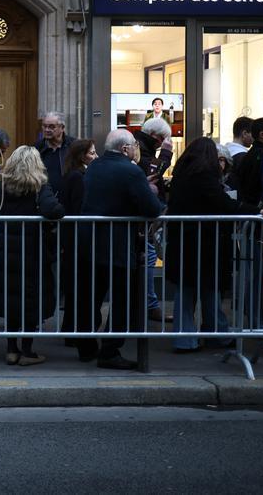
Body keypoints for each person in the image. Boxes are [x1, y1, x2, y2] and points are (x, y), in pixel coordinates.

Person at [165, 137, 263, 353]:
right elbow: (224, 204)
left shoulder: (181, 175)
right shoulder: (204, 177)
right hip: (205, 243)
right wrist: (256, 210)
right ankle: (216, 334)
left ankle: (185, 338)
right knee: (210, 289)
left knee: (186, 292)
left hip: (184, 242)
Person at [78, 128, 164, 369]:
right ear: (125, 149)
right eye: (134, 145)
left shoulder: (95, 166)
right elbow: (152, 209)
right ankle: (110, 351)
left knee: (91, 297)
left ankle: (86, 348)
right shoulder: (131, 170)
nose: (137, 148)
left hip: (90, 243)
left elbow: (109, 194)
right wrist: (149, 190)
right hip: (118, 245)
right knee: (122, 300)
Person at [0, 146, 64, 365]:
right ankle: (28, 351)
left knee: (12, 297)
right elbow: (53, 210)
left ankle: (11, 350)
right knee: (31, 299)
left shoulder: (5, 185)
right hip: (32, 249)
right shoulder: (39, 185)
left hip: (7, 248)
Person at [133, 116, 173, 321]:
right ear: (154, 136)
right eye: (162, 140)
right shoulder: (139, 147)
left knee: (147, 256)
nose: (163, 143)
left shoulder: (140, 145)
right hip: (142, 217)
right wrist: (166, 154)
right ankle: (149, 305)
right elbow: (152, 171)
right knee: (148, 256)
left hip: (145, 216)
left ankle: (148, 304)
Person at [58, 138, 96, 341]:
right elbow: (79, 208)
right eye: (92, 153)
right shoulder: (78, 177)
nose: (95, 156)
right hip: (77, 240)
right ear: (82, 156)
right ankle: (73, 332)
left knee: (75, 286)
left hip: (72, 239)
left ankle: (69, 330)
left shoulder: (73, 175)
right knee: (78, 287)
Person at [35, 111, 74, 196]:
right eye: (44, 126)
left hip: (68, 197)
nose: (47, 130)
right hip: (44, 198)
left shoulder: (73, 146)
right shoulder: (37, 148)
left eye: (52, 127)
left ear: (62, 128)